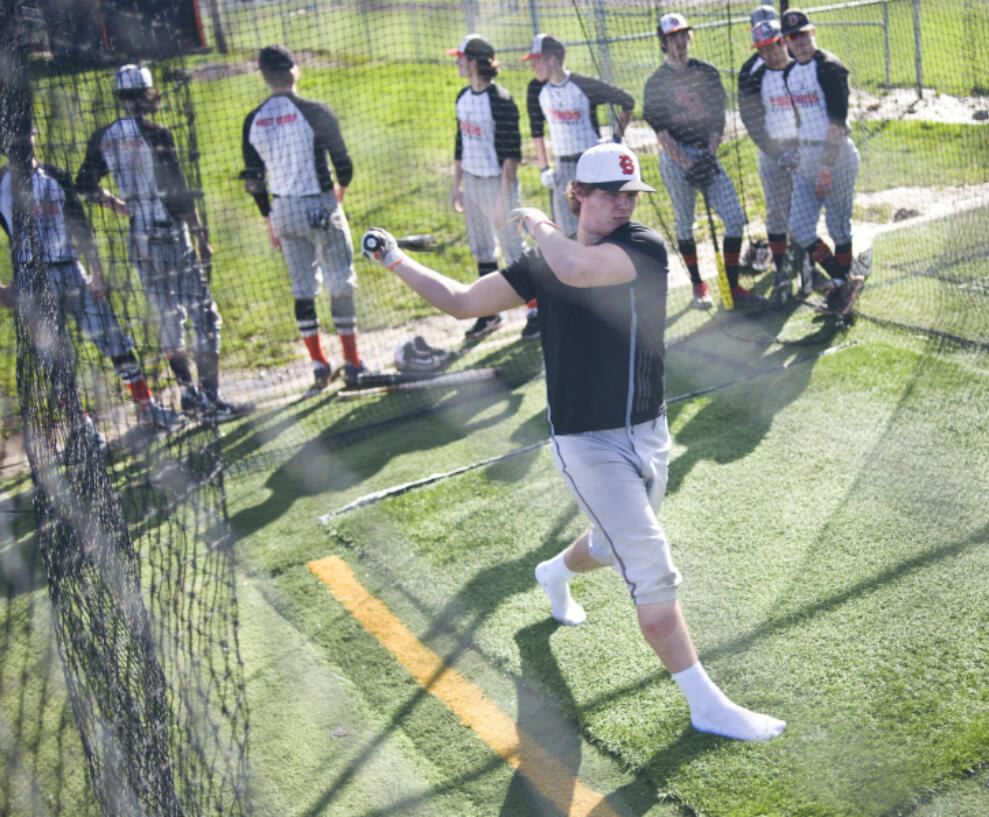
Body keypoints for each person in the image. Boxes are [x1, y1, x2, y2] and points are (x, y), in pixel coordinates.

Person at [358, 142, 786, 743]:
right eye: (610, 194)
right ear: (577, 195)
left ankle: (553, 571)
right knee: (651, 568)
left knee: (613, 546)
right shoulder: (542, 264)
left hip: (649, 430)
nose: (622, 205)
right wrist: (396, 260)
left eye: (630, 196)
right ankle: (706, 705)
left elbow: (580, 270)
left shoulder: (640, 247)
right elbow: (460, 304)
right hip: (587, 445)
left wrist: (536, 224)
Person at [76, 64, 243, 420]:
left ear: (120, 97)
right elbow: (179, 194)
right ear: (149, 93)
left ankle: (187, 394)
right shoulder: (157, 133)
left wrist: (118, 205)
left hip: (138, 237)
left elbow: (85, 184)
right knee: (205, 318)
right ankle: (211, 400)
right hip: (169, 233)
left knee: (168, 319)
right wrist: (199, 235)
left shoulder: (103, 136)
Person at [0, 130, 182, 432]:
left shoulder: (55, 175)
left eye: (24, 135)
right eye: (8, 138)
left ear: (34, 135)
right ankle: (83, 429)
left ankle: (147, 407)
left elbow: (81, 227)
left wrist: (96, 272)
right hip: (31, 279)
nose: (18, 143)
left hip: (71, 270)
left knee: (114, 339)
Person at [240, 44, 366, 394]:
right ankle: (353, 362)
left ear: (264, 75)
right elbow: (344, 164)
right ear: (294, 71)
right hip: (319, 204)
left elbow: (253, 180)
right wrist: (339, 191)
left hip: (283, 211)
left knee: (302, 289)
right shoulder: (315, 111)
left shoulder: (253, 120)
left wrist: (268, 218)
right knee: (339, 281)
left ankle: (318, 365)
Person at [642, 11, 763, 310]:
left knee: (734, 218)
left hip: (705, 153)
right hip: (676, 158)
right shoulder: (656, 83)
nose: (679, 42)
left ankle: (732, 286)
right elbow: (662, 133)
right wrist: (688, 165)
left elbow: (716, 120)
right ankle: (699, 285)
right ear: (663, 43)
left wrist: (708, 158)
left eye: (683, 35)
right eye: (672, 38)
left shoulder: (707, 72)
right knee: (685, 223)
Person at [523, 32, 636, 340]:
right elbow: (536, 129)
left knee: (598, 231)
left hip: (591, 168)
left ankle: (612, 297)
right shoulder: (537, 90)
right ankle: (576, 303)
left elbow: (627, 101)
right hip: (562, 168)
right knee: (564, 234)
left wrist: (614, 139)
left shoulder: (583, 85)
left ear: (553, 59)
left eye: (537, 61)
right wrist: (544, 165)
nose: (533, 67)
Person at [780, 10, 863, 314]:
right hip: (809, 157)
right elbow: (804, 120)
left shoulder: (830, 67)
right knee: (800, 226)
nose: (799, 42)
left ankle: (842, 290)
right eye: (792, 38)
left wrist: (826, 166)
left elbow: (837, 123)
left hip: (836, 155)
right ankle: (843, 281)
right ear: (786, 42)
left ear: (812, 32)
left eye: (802, 34)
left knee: (838, 227)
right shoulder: (790, 74)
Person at [449, 33, 526, 341]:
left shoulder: (501, 100)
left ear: (475, 62)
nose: (457, 62)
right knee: (482, 251)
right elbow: (460, 144)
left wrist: (501, 203)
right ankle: (490, 314)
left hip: (499, 184)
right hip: (473, 181)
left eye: (461, 58)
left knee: (514, 250)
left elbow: (512, 156)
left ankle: (536, 310)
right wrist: (457, 186)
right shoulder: (462, 98)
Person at [737, 14, 800, 305]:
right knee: (777, 212)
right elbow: (751, 120)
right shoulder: (752, 74)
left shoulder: (802, 64)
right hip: (772, 152)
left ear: (783, 40)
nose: (769, 53)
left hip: (804, 149)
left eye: (773, 45)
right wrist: (777, 152)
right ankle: (781, 272)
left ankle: (804, 269)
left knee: (804, 213)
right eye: (762, 48)